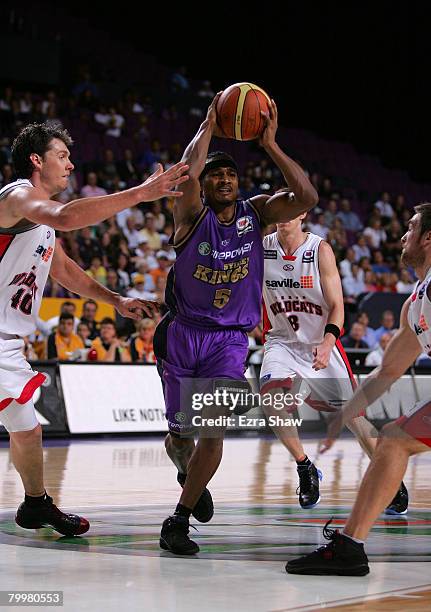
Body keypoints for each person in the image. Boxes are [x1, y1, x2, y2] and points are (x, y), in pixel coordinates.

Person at [0, 122, 188, 537]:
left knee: (27, 430)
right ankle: (36, 503)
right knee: (25, 428)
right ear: (36, 160)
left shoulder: (40, 224)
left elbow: (66, 271)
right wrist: (140, 193)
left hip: (7, 343)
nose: (70, 163)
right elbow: (67, 217)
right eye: (61, 155)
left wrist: (116, 301)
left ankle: (35, 504)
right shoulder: (16, 196)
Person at [154, 93, 319, 555]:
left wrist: (270, 145)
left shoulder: (257, 213)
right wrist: (209, 124)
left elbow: (306, 197)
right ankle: (182, 460)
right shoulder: (189, 216)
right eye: (216, 175)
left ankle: (178, 520)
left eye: (231, 174)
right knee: (181, 434)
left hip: (228, 340)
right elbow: (187, 169)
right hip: (181, 335)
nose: (224, 179)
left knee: (214, 430)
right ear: (203, 186)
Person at [285, 203, 431, 576]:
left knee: (395, 440)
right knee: (393, 440)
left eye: (411, 228)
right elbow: (390, 369)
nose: (402, 236)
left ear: (428, 238)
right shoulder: (416, 303)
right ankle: (350, 546)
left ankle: (350, 547)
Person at [261, 211, 380, 509]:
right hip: (282, 341)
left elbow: (338, 307)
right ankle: (305, 466)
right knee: (270, 400)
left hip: (321, 342)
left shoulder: (319, 250)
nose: (284, 214)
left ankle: (389, 478)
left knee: (355, 420)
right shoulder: (261, 247)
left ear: (303, 213)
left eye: (292, 208)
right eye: (279, 207)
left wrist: (328, 343)